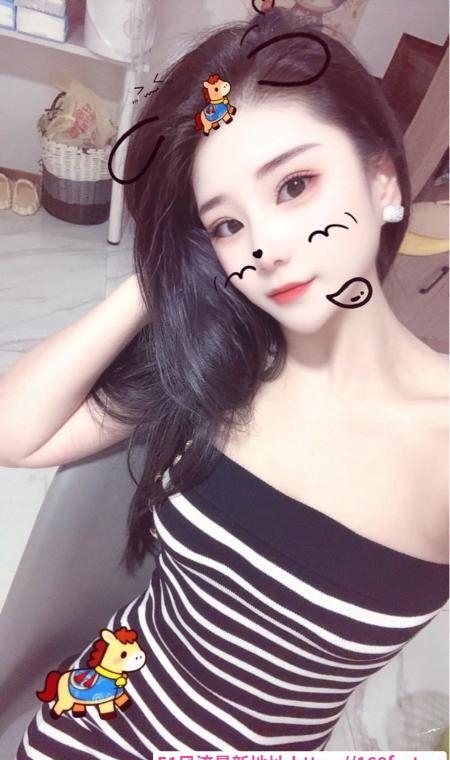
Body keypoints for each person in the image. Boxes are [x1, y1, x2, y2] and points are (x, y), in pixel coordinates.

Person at [3, 6, 448, 757]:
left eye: (295, 184)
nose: (264, 245)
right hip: (89, 724)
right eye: (227, 224)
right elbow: (15, 434)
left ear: (381, 179)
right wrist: (165, 274)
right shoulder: (222, 362)